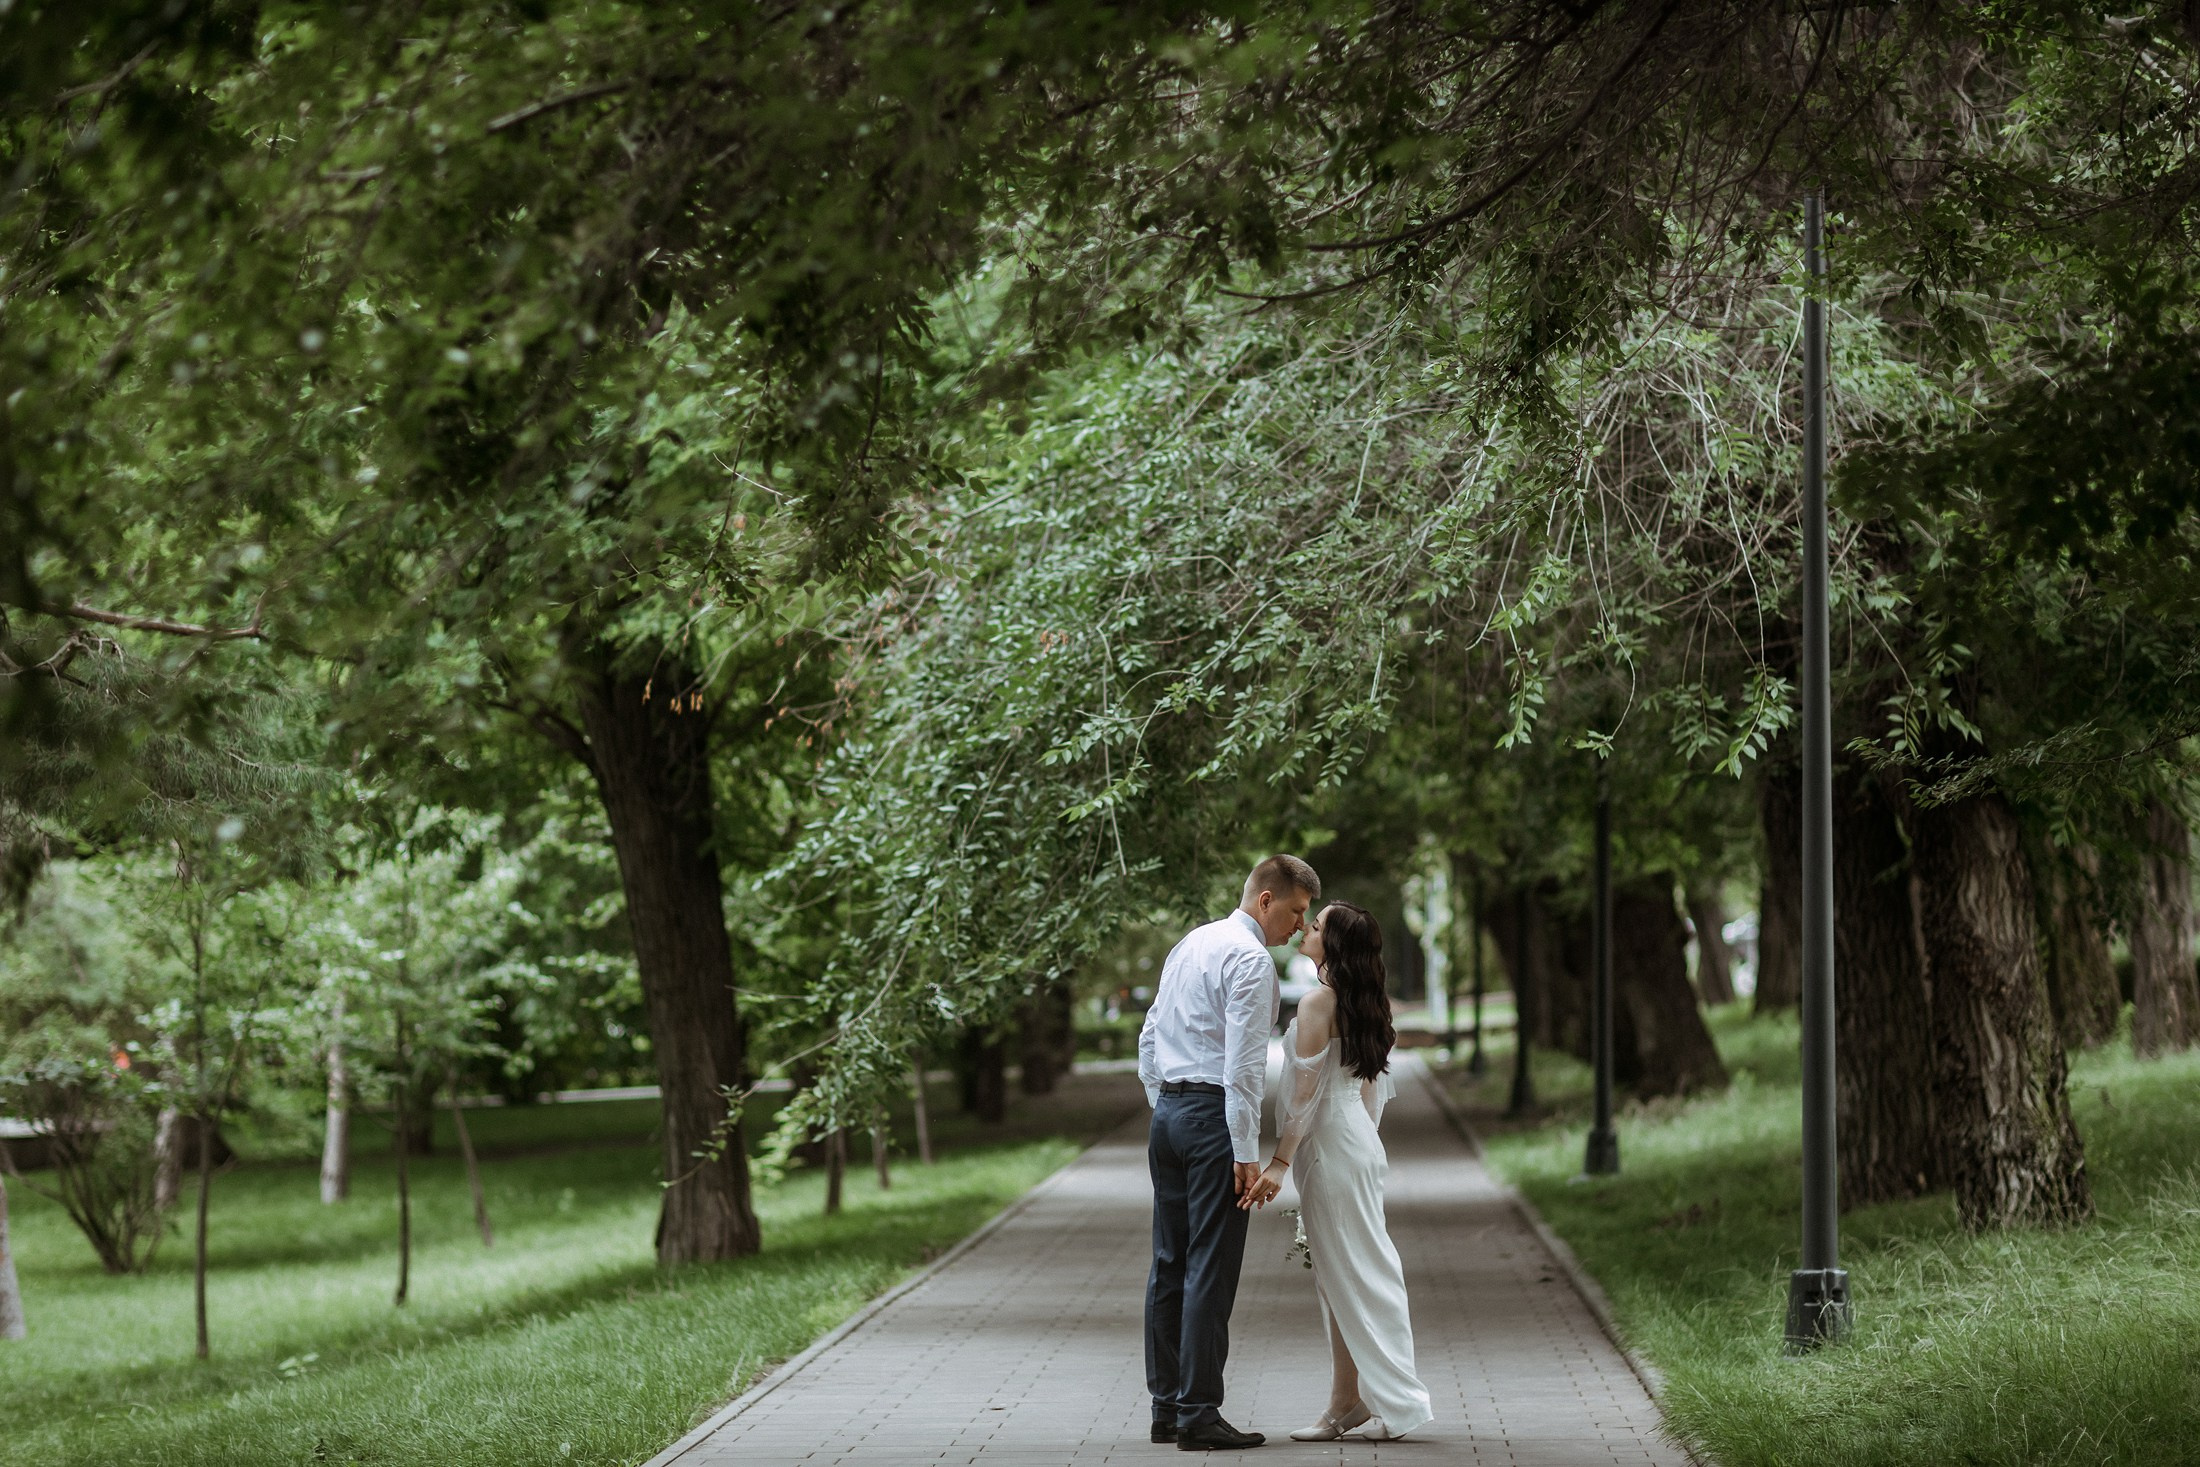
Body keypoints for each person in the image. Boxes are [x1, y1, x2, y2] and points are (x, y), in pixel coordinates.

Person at [1138, 854, 1319, 1452]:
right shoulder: (1250, 959)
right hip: (1213, 1118)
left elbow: (1150, 1032)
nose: (1300, 926)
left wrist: (1160, 1104)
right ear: (1266, 900)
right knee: (1209, 1268)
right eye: (1296, 912)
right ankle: (1199, 1414)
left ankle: (1166, 1408)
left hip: (1169, 1114)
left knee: (1169, 1261)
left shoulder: (1191, 943)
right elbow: (1244, 1066)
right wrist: (1244, 1149)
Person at [1241, 900, 1433, 1442]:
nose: (1306, 928)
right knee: (1349, 1274)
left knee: (1351, 1276)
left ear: (1335, 946)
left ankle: (1386, 1401)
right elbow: (1370, 1090)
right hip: (1356, 1144)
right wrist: (1363, 1146)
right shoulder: (1364, 1001)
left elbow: (1303, 1092)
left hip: (1329, 1148)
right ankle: (1348, 1401)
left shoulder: (1318, 1002)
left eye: (1317, 926)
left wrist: (1280, 1161)